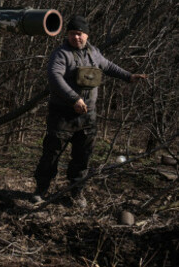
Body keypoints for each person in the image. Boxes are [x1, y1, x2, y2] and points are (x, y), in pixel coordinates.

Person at [33, 15, 147, 208]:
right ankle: (40, 190)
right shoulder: (61, 54)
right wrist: (73, 98)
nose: (75, 38)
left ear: (86, 34)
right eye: (71, 34)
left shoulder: (94, 53)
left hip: (88, 116)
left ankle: (76, 192)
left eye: (79, 34)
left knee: (82, 156)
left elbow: (108, 66)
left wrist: (128, 76)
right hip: (62, 114)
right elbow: (54, 77)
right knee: (51, 153)